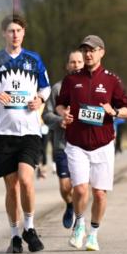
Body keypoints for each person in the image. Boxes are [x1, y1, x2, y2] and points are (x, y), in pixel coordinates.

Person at [0, 13, 51, 254]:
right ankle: (15, 235)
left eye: (18, 30)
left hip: (29, 132)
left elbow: (46, 87)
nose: (15, 35)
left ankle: (29, 227)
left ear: (24, 33)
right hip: (4, 133)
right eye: (11, 31)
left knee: (27, 181)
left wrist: (40, 98)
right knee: (12, 187)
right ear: (4, 34)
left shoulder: (34, 59)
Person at [56, 35, 127, 252]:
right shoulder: (71, 80)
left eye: (92, 50)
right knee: (80, 190)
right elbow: (60, 105)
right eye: (85, 50)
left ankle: (94, 233)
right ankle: (79, 223)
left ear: (102, 52)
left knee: (99, 193)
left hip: (103, 144)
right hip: (76, 143)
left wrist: (115, 111)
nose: (88, 54)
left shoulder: (112, 80)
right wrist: (65, 114)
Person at [44, 50, 85, 229]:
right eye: (72, 62)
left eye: (79, 62)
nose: (76, 65)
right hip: (63, 144)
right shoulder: (57, 88)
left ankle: (80, 217)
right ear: (67, 66)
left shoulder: (91, 87)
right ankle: (69, 205)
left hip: (85, 145)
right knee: (65, 187)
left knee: (82, 187)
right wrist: (60, 121)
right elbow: (46, 115)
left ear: (84, 64)